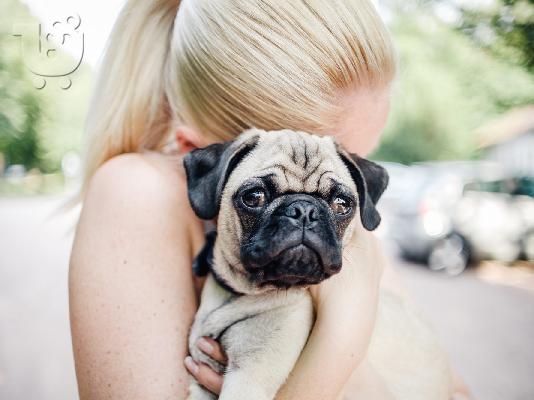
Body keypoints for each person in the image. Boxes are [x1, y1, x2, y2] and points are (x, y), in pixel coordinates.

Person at [69, 0, 472, 399]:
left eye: (338, 192)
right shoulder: (138, 191)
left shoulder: (352, 242)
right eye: (260, 194)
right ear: (203, 158)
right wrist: (340, 338)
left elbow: (454, 391)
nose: (308, 215)